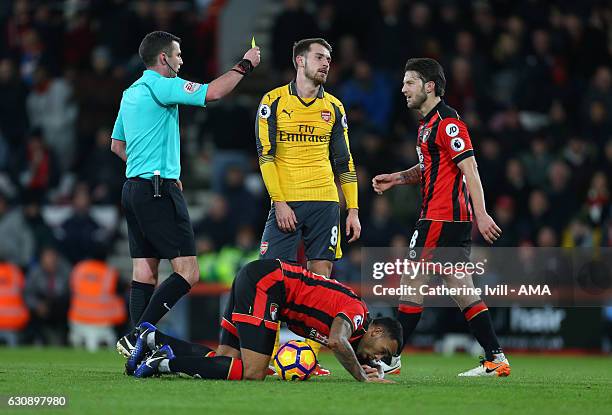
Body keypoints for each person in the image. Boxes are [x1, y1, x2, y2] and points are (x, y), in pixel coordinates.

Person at [112, 31, 260, 358]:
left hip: (133, 188)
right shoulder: (161, 85)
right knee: (189, 272)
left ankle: (141, 351)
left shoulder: (130, 92)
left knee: (145, 271)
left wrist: (145, 166)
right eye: (177, 55)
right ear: (163, 58)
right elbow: (214, 92)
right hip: (156, 188)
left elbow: (117, 145)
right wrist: (246, 65)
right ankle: (137, 335)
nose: (181, 61)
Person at [372, 58, 510, 377]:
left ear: (429, 86)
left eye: (410, 82)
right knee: (461, 286)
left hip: (440, 218)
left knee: (411, 281)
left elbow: (470, 168)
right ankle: (496, 358)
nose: (403, 89)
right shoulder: (427, 125)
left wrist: (483, 214)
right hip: (448, 219)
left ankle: (390, 359)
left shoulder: (448, 123)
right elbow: (430, 169)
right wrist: (397, 177)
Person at [255, 38, 361, 372]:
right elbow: (266, 156)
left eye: (329, 58)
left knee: (321, 280)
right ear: (300, 61)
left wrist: (353, 209)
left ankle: (308, 357)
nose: (326, 63)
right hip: (287, 201)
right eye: (319, 57)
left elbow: (344, 161)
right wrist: (280, 202)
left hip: (326, 201)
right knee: (274, 278)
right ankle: (268, 357)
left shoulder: (335, 107)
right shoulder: (272, 101)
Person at [127, 259, 401, 382]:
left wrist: (368, 366)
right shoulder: (358, 313)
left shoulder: (359, 332)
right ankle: (162, 364)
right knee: (253, 372)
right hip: (268, 285)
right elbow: (337, 341)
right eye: (384, 352)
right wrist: (362, 379)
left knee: (224, 357)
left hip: (260, 278)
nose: (379, 358)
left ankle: (153, 339)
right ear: (376, 331)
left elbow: (351, 346)